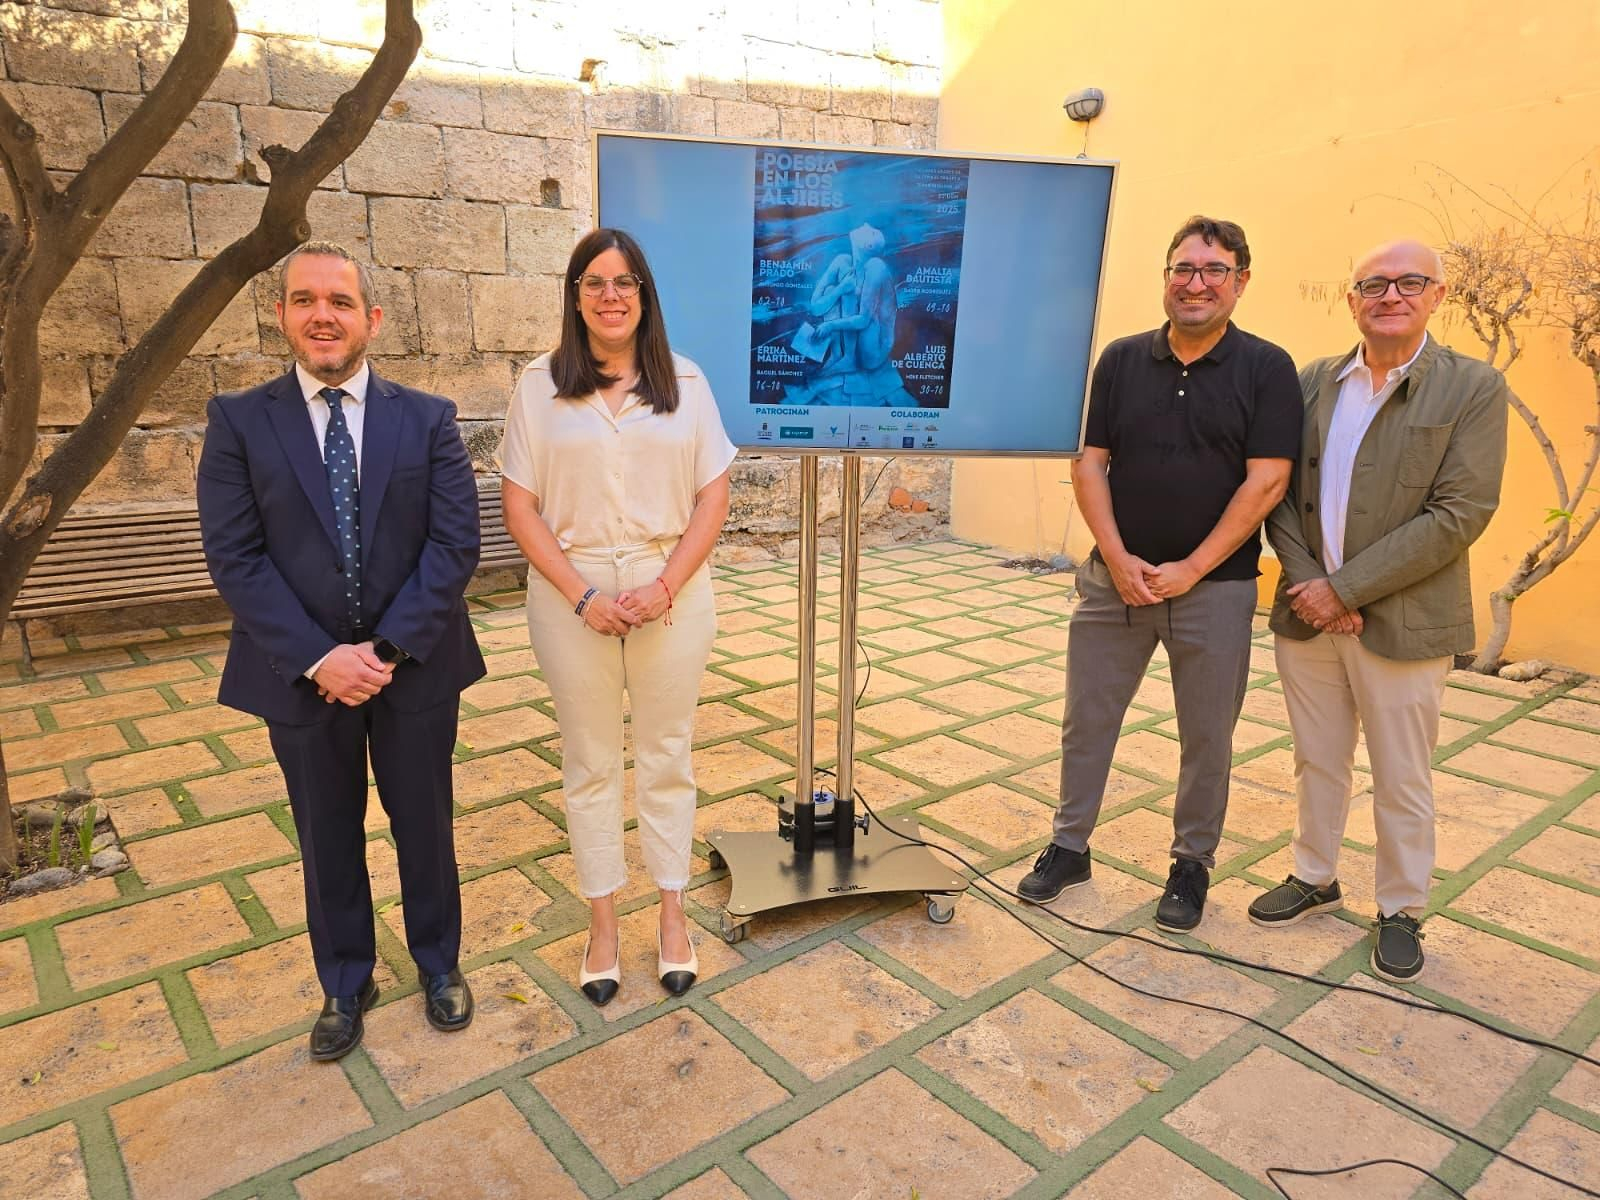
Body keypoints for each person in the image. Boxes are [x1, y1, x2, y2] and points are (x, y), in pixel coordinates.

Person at [198, 241, 485, 1060]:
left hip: (416, 665)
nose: (322, 315)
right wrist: (323, 657)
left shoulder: (427, 418)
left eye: (339, 301)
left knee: (424, 825)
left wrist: (385, 648)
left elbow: (454, 544)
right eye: (303, 300)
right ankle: (345, 980)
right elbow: (236, 558)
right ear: (283, 315)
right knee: (326, 832)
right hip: (300, 677)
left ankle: (438, 964)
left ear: (372, 319)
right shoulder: (239, 423)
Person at [1018, 216, 1302, 932]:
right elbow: (1090, 463)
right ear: (1166, 277)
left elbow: (1267, 481)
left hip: (1217, 589)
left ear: (1240, 280)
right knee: (1087, 723)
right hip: (1114, 583)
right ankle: (1069, 845)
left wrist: (1191, 569)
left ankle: (1191, 865)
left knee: (1207, 735)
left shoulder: (1267, 368)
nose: (1196, 283)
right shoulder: (1119, 360)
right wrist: (1115, 558)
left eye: (1213, 270)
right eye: (1183, 268)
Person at [1253, 239, 1508, 983]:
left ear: (1437, 295)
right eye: (1374, 284)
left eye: (1408, 283)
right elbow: (1279, 495)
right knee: (1316, 759)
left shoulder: (1471, 387)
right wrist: (1312, 587)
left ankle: (1400, 908)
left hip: (1402, 620)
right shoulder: (1311, 383)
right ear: (1352, 297)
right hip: (1309, 614)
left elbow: (1460, 511)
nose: (1389, 295)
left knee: (1403, 775)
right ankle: (1314, 875)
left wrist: (1348, 590)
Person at [498, 228, 735, 1006]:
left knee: (668, 756)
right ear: (575, 295)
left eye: (626, 282)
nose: (611, 296)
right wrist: (582, 594)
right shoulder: (540, 385)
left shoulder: (687, 382)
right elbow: (520, 505)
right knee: (590, 763)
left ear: (644, 295)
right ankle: (603, 922)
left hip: (671, 591)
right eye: (595, 282)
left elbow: (713, 496)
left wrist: (666, 585)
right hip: (575, 594)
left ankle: (671, 914)